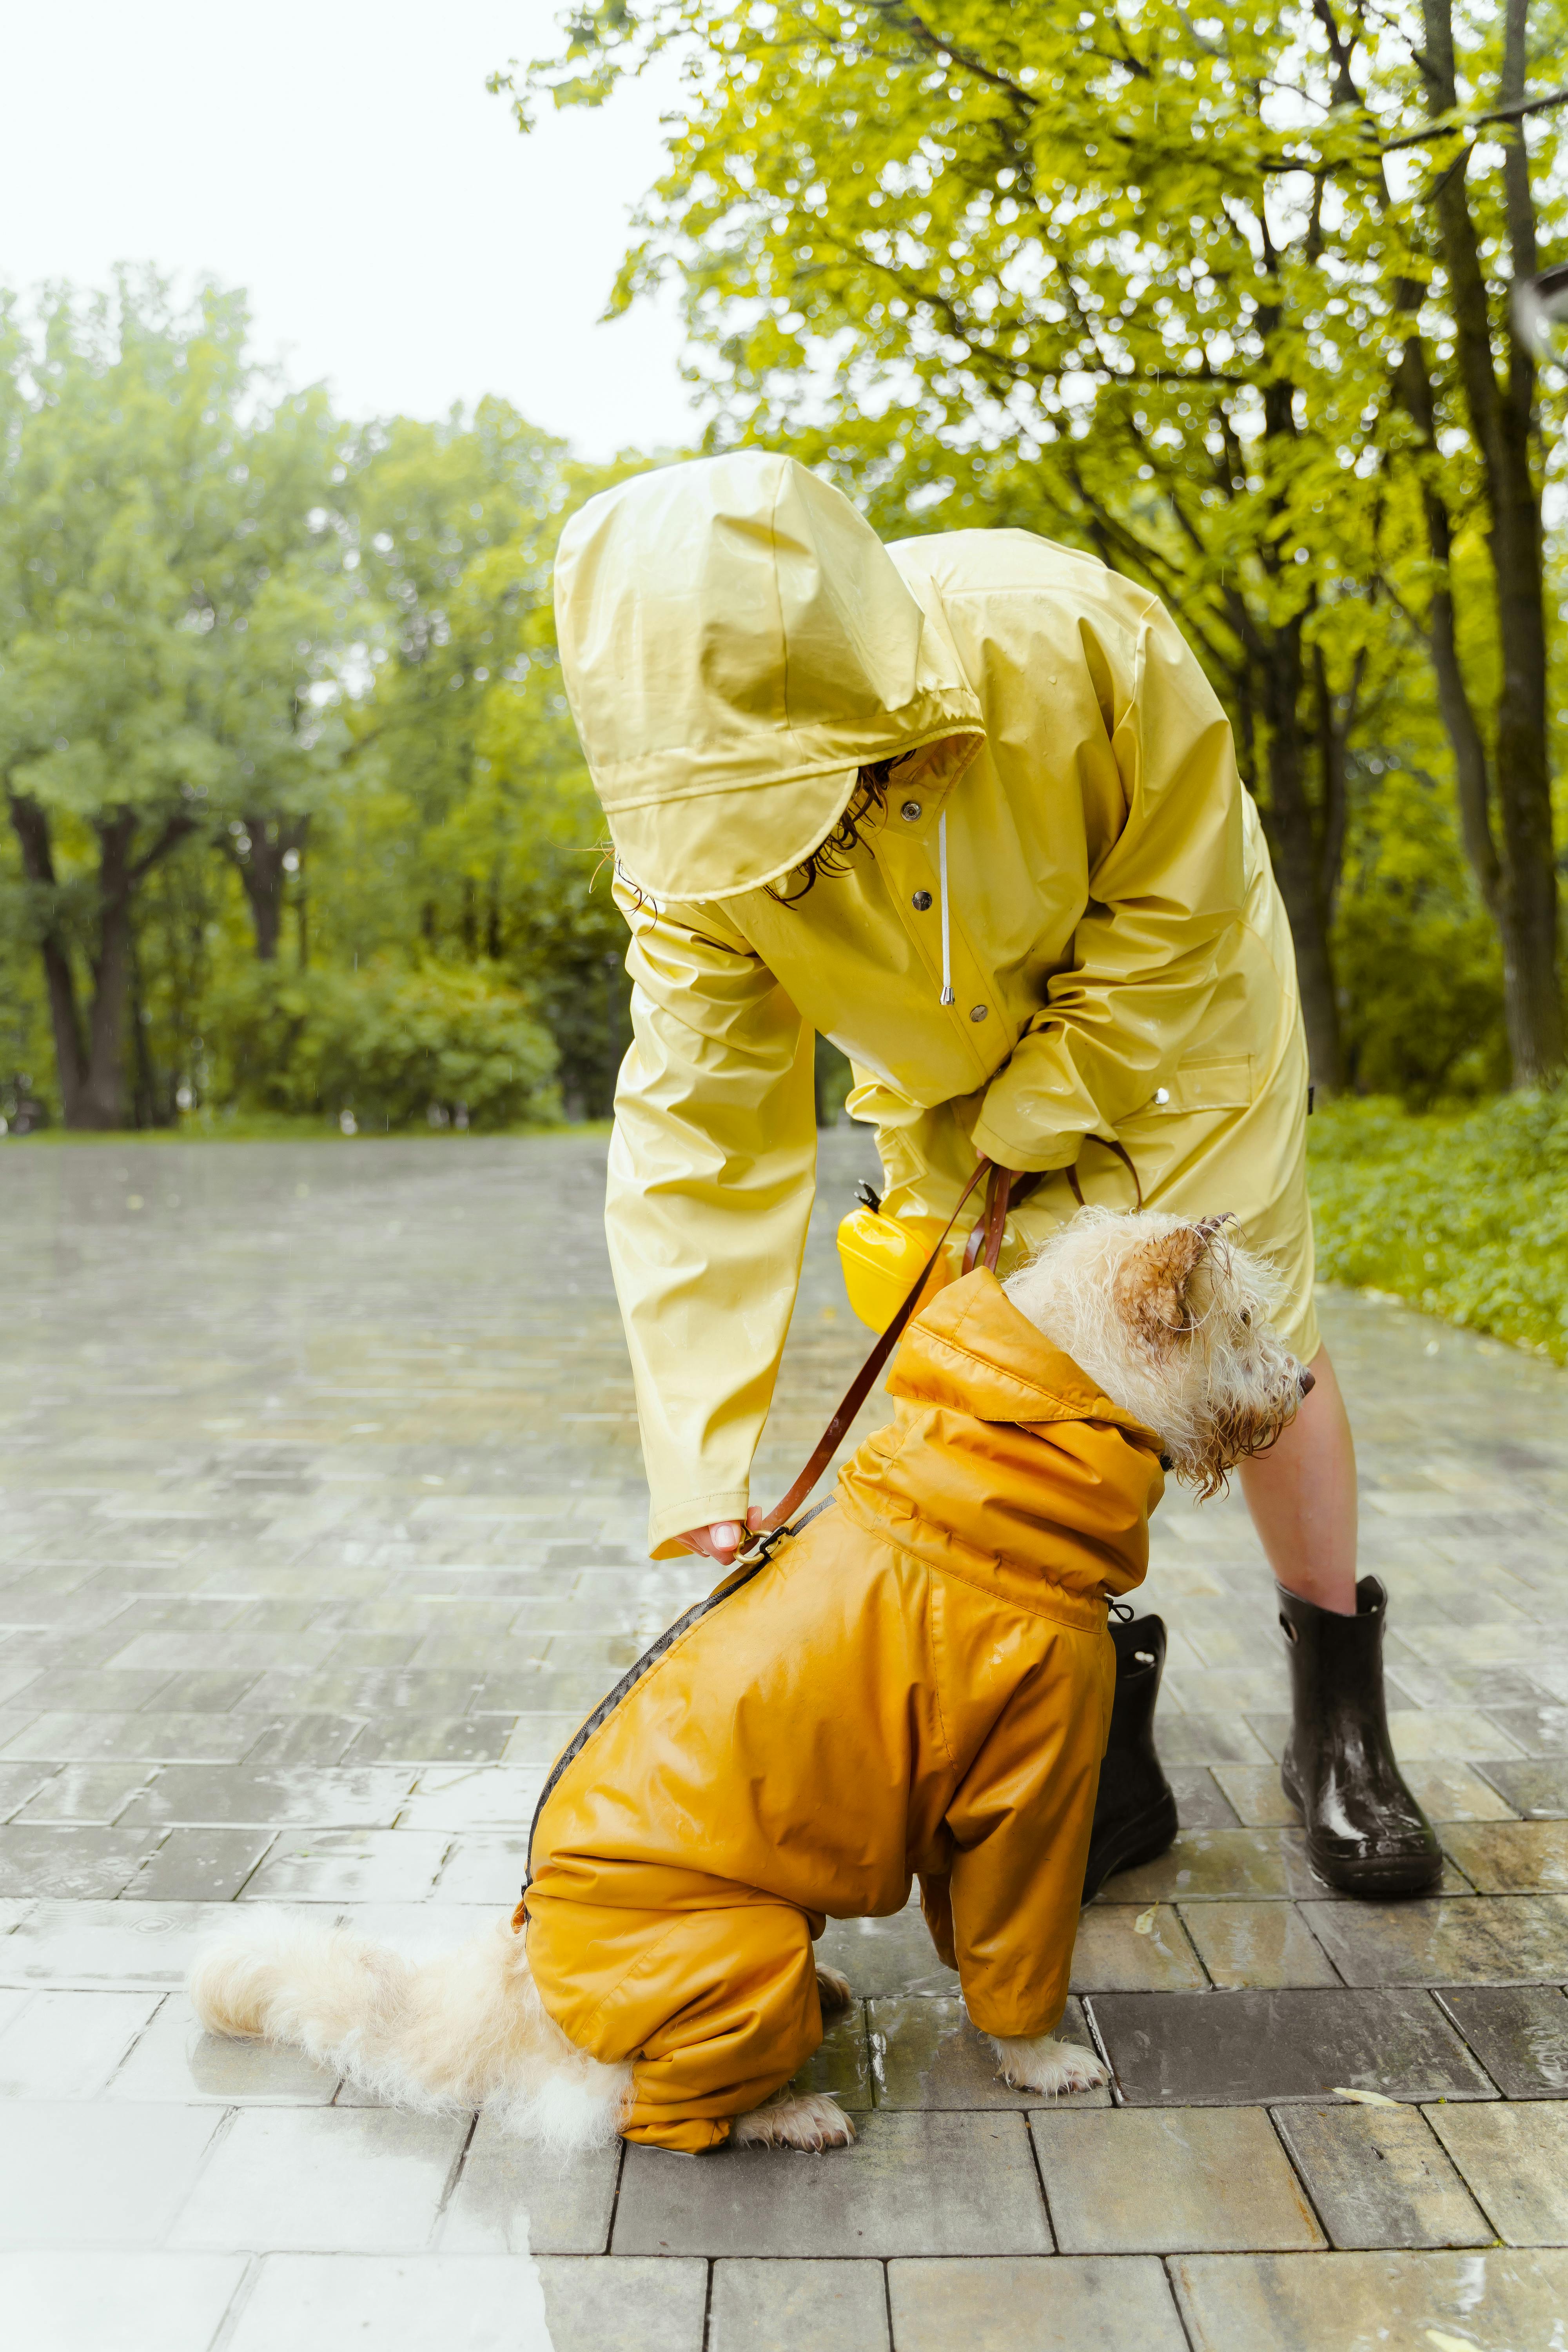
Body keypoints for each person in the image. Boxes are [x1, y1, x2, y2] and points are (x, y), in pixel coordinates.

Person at [554, 449, 1439, 1900]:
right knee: (1007, 1373)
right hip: (944, 1083)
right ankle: (1100, 1729)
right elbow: (700, 1126)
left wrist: (1041, 1104)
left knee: (1232, 1324)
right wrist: (705, 1459)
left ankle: (1340, 1718)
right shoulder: (676, 848)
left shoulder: (1074, 634)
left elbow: (1179, 907)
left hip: (1179, 1022)